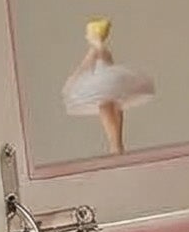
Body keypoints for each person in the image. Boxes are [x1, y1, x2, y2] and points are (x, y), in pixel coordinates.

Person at [61, 17, 156, 155]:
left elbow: (84, 66)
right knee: (115, 108)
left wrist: (72, 80)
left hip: (101, 85)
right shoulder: (105, 51)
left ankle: (114, 143)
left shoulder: (95, 50)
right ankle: (117, 142)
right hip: (109, 83)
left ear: (93, 34)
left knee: (106, 108)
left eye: (88, 34)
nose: (86, 37)